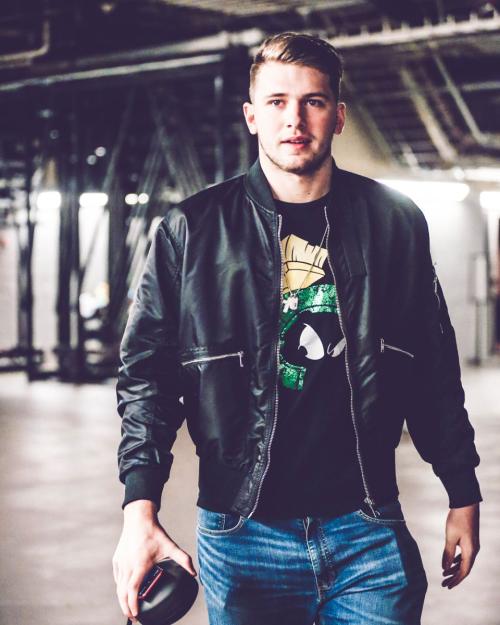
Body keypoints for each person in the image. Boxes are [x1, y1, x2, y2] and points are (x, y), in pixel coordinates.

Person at [112, 32, 482, 625]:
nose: (295, 119)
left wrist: (462, 490)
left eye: (313, 101)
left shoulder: (395, 223)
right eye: (277, 102)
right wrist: (140, 509)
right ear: (251, 116)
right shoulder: (192, 229)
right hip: (243, 535)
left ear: (339, 116)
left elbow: (432, 366)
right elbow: (148, 380)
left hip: (367, 529)